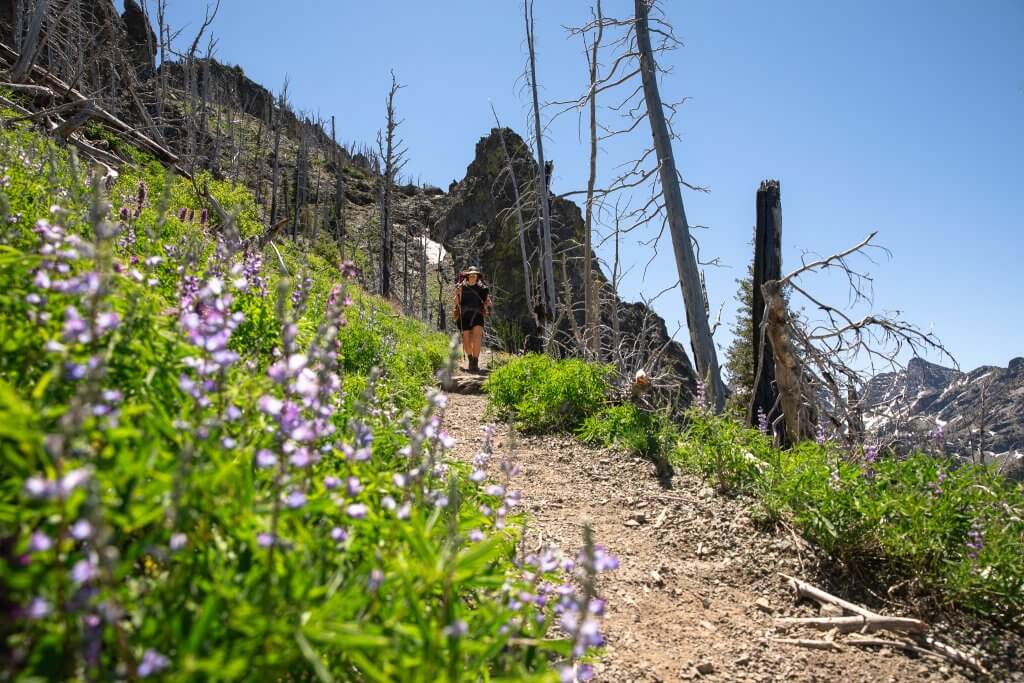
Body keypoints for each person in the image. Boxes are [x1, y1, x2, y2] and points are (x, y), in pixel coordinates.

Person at [453, 266, 489, 372]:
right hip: (464, 315)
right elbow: (456, 302)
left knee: (477, 337)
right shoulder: (461, 287)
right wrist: (457, 294)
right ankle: (470, 360)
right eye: (471, 275)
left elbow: (487, 301)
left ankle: (475, 362)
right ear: (467, 276)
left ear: (477, 276)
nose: (473, 277)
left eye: (475, 275)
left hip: (477, 315)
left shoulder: (483, 288)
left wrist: (486, 305)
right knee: (466, 339)